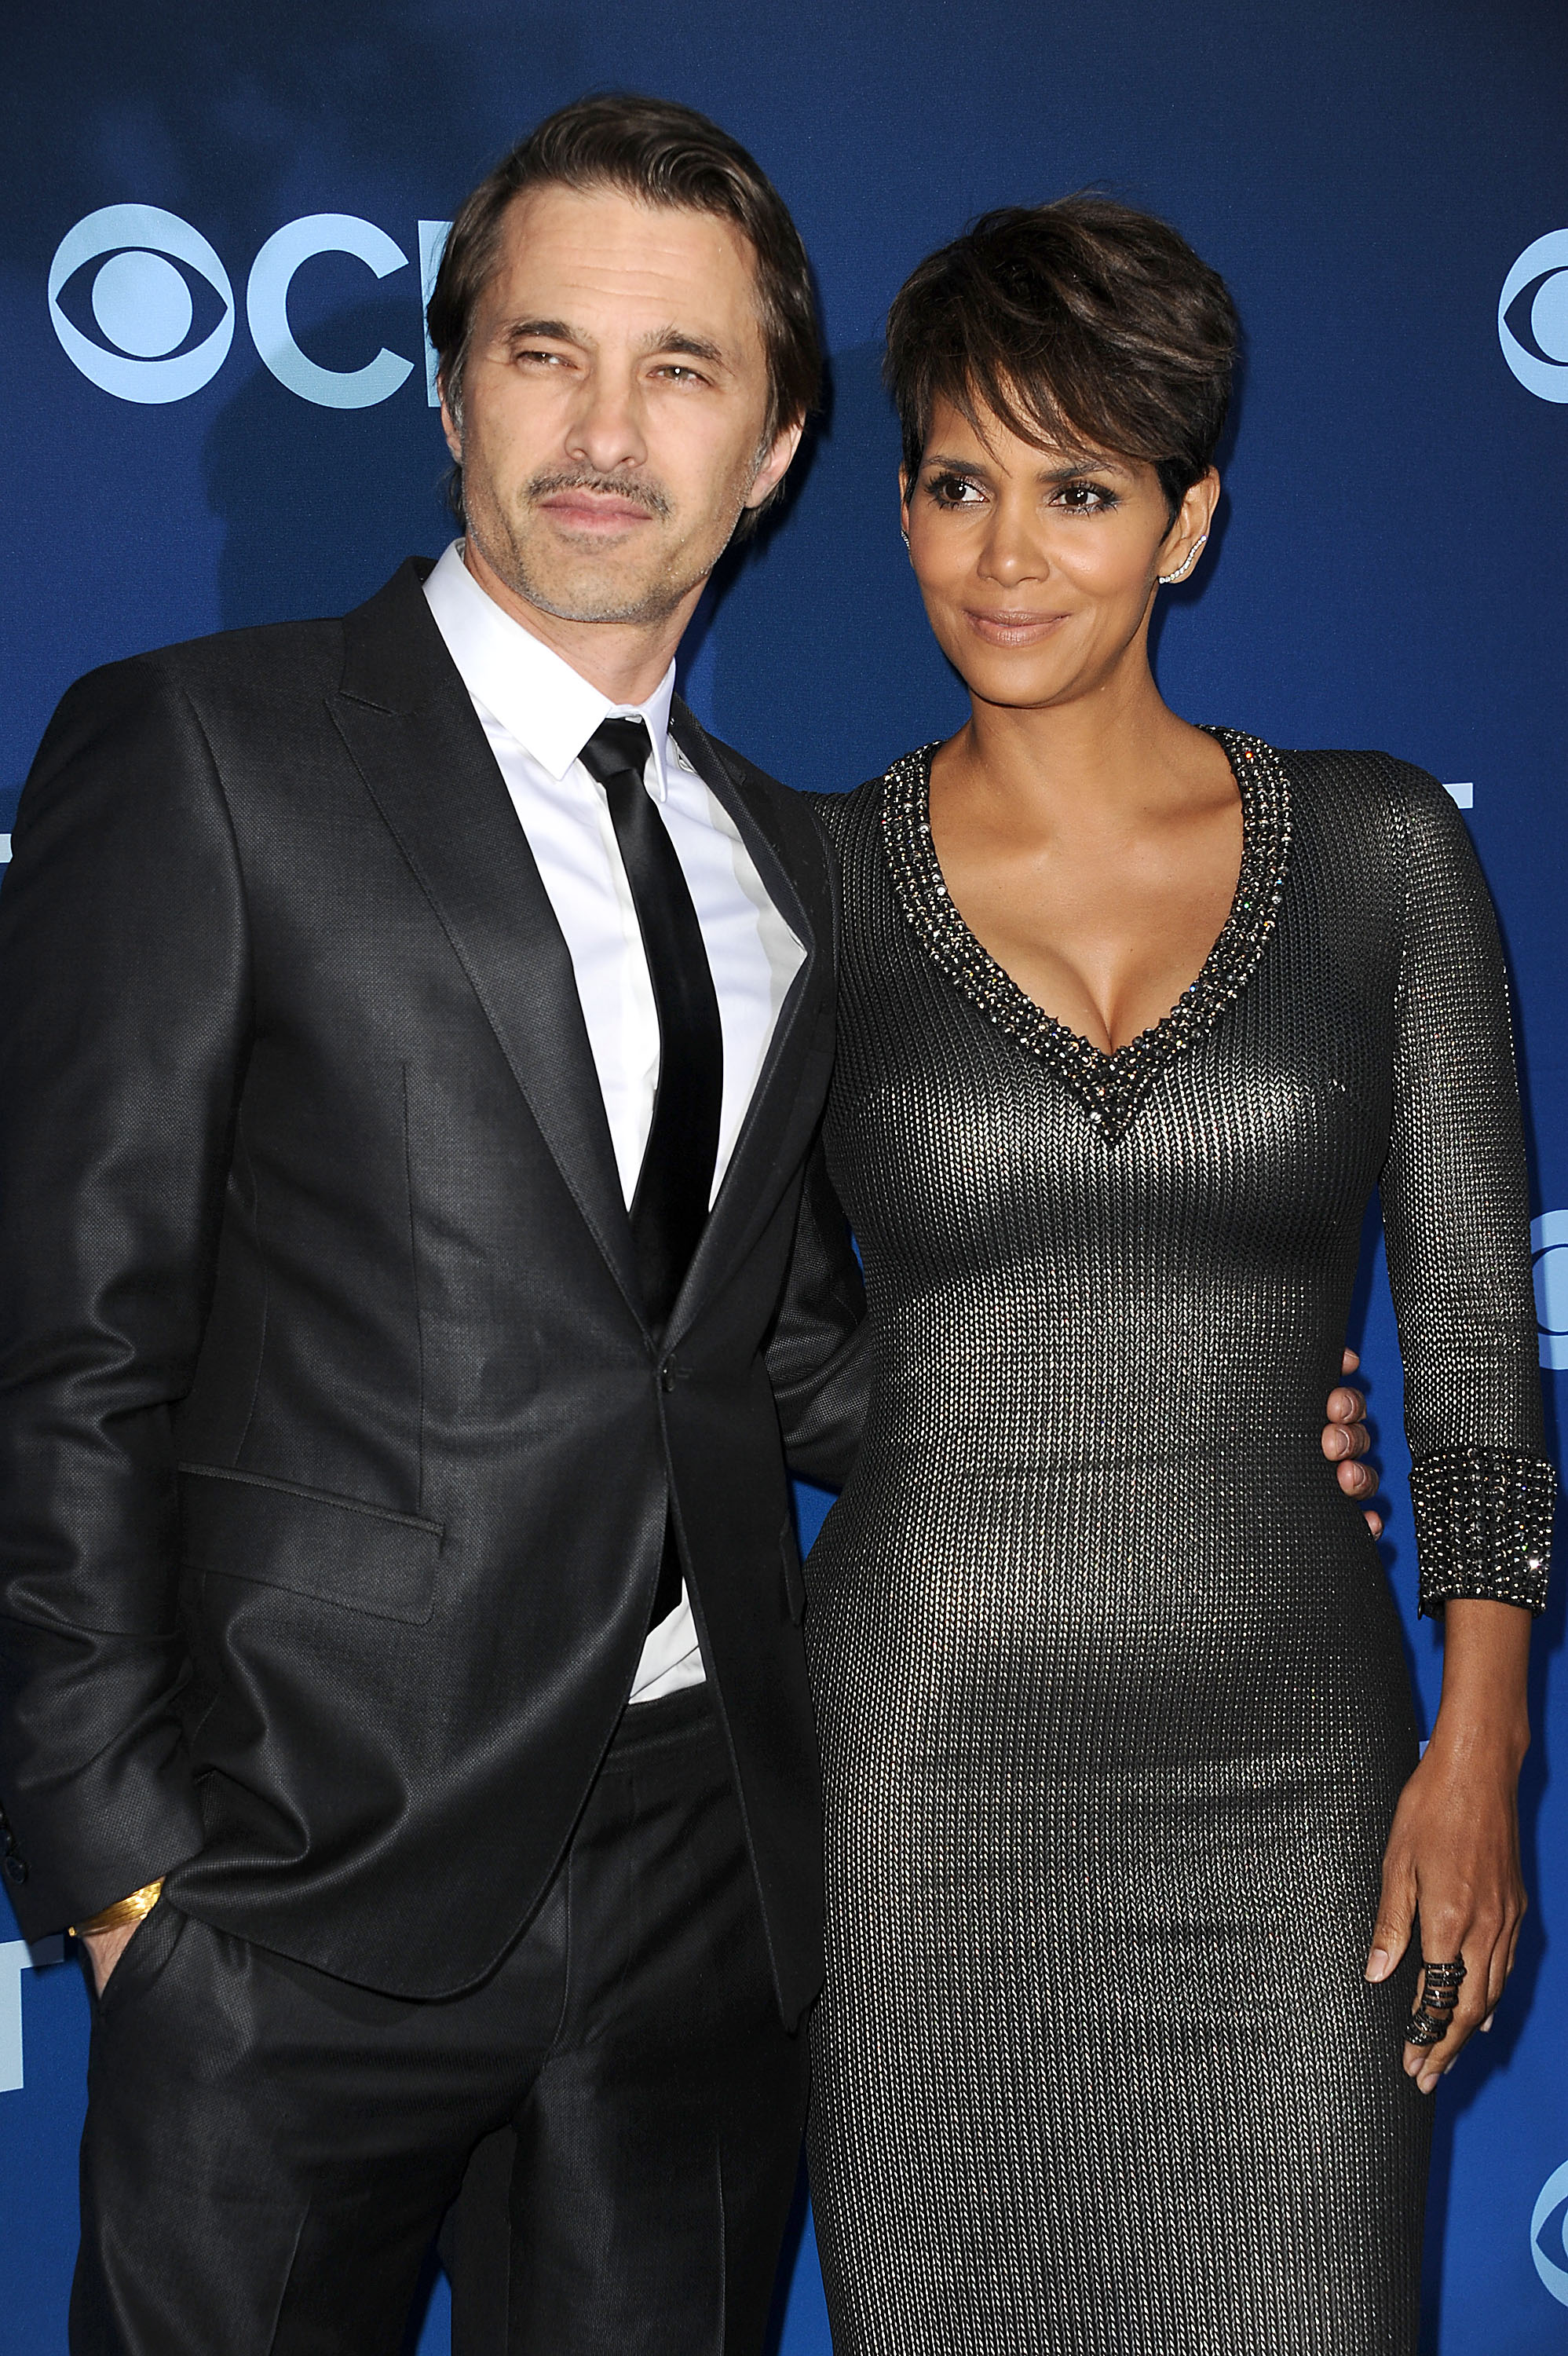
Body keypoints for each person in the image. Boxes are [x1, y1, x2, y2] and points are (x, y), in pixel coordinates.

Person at [0, 94, 1375, 2350]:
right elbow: (63, 1336)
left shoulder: (790, 859)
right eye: (548, 353)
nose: (606, 432)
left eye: (683, 371)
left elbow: (781, 1342)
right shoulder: (205, 753)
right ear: (451, 389)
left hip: (701, 1875)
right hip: (292, 1879)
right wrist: (125, 1872)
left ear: (774, 448)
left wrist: (1193, 1405)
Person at [797, 199, 1552, 2354]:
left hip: (1299, 1773)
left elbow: (1481, 1349)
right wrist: (1025, 1396)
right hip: (924, 1782)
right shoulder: (816, 884)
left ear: (1188, 521)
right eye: (956, 481)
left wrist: (1479, 1748)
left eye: (1079, 488)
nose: (1006, 555)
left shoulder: (1387, 849)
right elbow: (701, 1327)